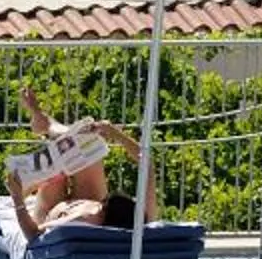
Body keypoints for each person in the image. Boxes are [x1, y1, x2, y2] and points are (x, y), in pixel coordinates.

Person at [8, 85, 159, 243]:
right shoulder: (143, 219)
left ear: (102, 214)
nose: (98, 206)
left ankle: (44, 122)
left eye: (101, 207)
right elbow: (147, 164)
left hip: (51, 209)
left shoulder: (82, 221)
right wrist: (115, 134)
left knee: (55, 174)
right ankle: (45, 123)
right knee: (85, 147)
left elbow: (33, 233)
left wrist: (17, 198)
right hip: (87, 201)